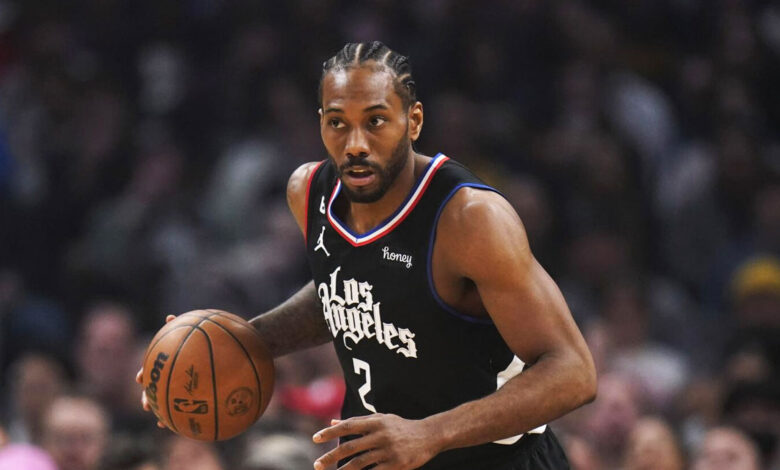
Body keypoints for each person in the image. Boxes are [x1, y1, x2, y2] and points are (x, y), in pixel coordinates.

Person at [138, 41, 596, 469]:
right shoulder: (308, 192)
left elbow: (574, 372)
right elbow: (353, 290)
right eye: (338, 122)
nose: (355, 143)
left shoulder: (468, 218)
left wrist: (429, 434)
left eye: (375, 121)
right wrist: (222, 349)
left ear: (413, 121)